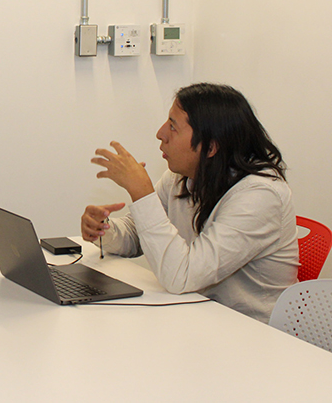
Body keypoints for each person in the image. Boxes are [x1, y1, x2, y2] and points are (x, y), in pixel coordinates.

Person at [82, 83, 298, 322]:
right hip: (196, 318)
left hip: (251, 335)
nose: (161, 133)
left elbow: (180, 277)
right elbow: (137, 235)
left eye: (173, 127)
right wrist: (105, 229)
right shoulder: (182, 177)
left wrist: (142, 193)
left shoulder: (260, 196)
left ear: (211, 147)